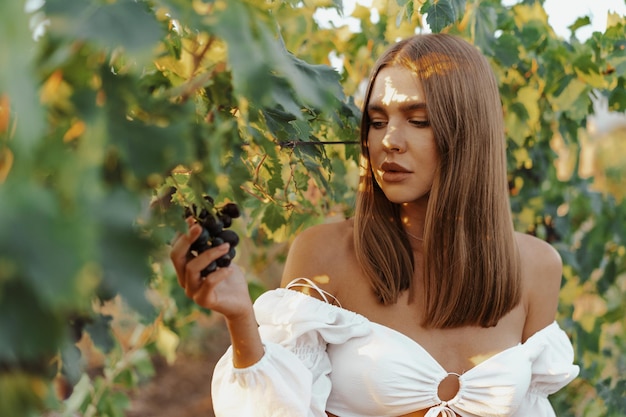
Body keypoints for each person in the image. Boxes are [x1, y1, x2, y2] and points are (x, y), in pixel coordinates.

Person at [170, 33, 579, 417]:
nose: (389, 140)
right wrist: (241, 319)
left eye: (418, 120)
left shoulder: (536, 266)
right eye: (378, 121)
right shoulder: (325, 254)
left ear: (469, 133)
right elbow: (280, 407)